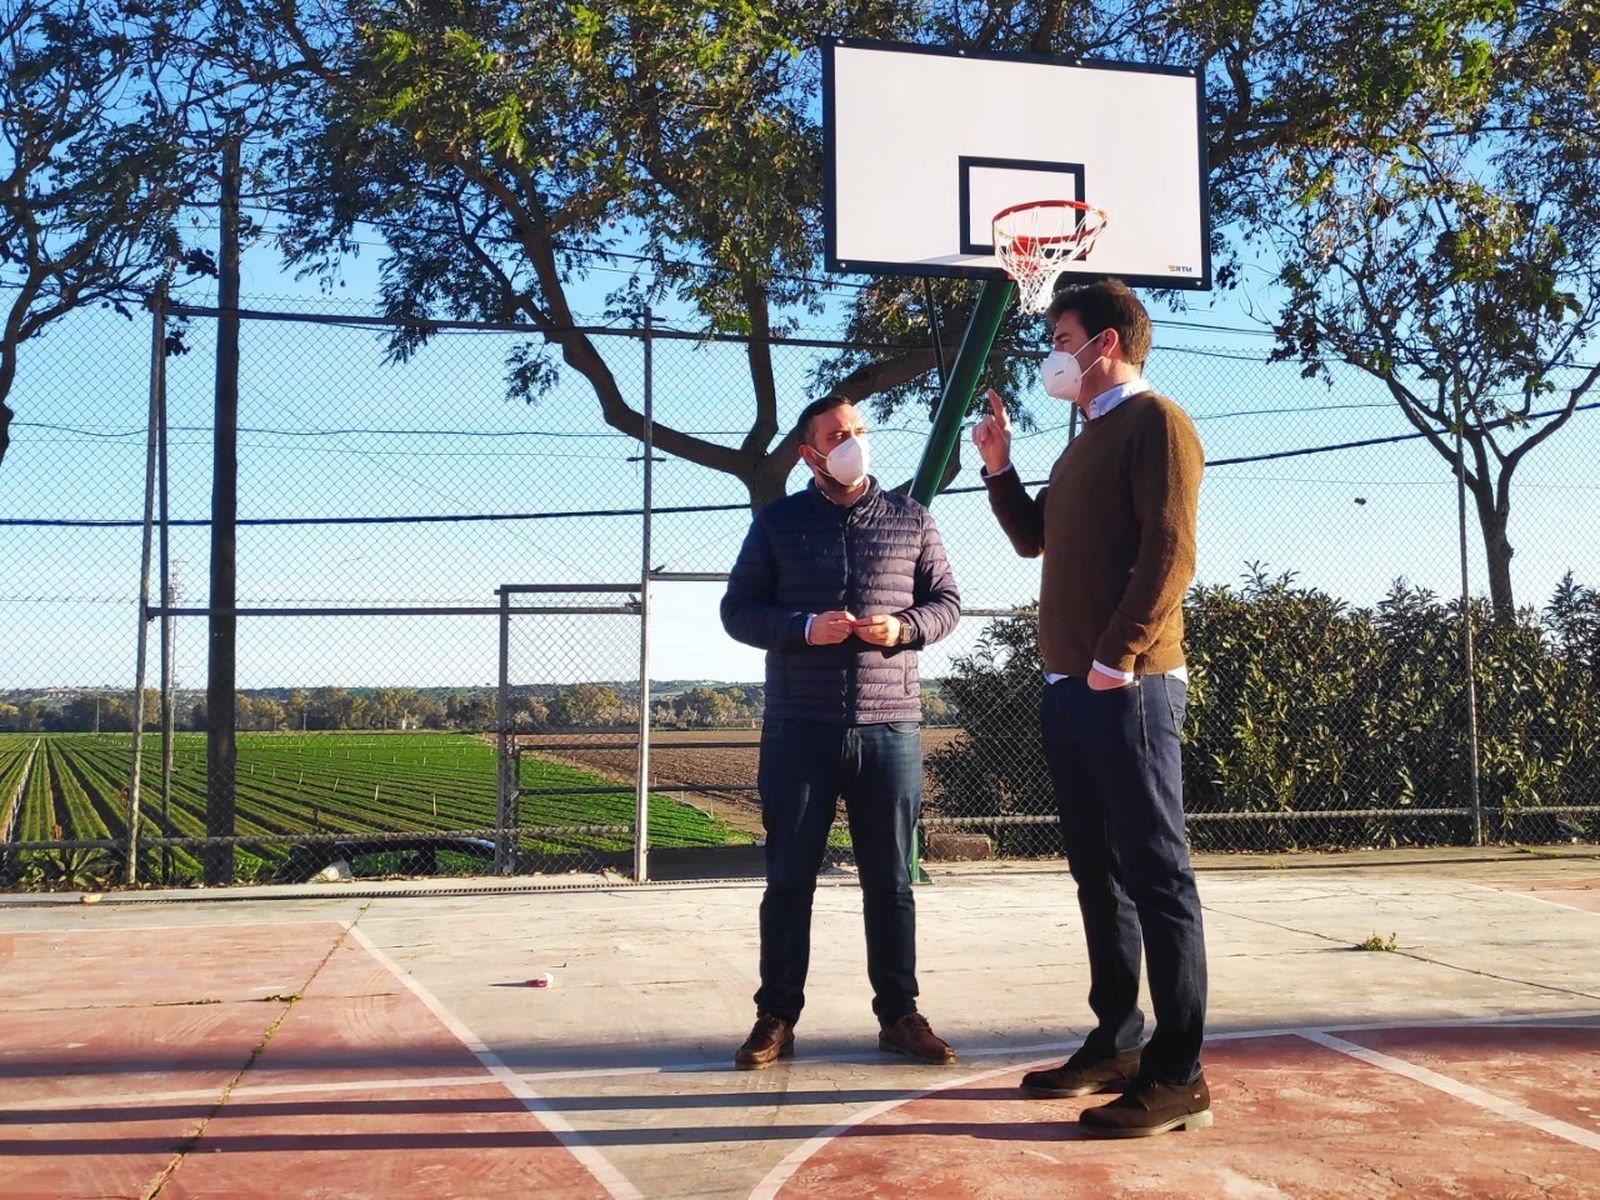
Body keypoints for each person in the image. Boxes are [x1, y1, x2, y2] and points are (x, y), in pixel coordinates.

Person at [971, 278, 1210, 1137]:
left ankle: (1180, 1073)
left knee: (1156, 875)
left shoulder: (1158, 424)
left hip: (1131, 685)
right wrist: (1000, 467)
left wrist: (1116, 657)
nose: (1052, 351)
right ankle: (1117, 1039)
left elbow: (1172, 550)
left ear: (1103, 343)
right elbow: (1037, 537)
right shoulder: (1085, 439)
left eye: (1060, 333)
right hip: (1070, 686)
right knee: (1098, 874)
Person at [721, 395, 962, 1070]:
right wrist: (802, 628)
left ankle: (900, 1015)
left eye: (858, 430)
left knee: (892, 882)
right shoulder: (778, 524)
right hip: (801, 725)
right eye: (836, 434)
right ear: (811, 453)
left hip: (891, 728)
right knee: (789, 880)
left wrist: (905, 629)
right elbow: (737, 610)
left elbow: (946, 603)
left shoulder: (913, 520)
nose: (852, 440)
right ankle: (776, 1016)